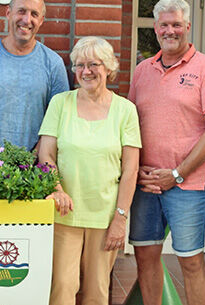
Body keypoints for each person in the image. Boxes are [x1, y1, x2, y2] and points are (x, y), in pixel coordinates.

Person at [127, 0, 205, 304]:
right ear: (156, 29)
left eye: (176, 24)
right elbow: (131, 124)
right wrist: (137, 168)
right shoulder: (143, 70)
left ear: (187, 27)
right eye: (164, 25)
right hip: (146, 185)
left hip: (188, 185)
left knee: (191, 260)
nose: (170, 30)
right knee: (145, 258)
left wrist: (177, 173)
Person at [38, 36, 141, 305]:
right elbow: (46, 154)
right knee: (61, 287)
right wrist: (56, 189)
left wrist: (120, 217)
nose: (86, 71)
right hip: (64, 213)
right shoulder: (60, 103)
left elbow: (130, 169)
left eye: (94, 64)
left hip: (105, 216)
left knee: (97, 290)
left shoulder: (125, 110)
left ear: (108, 68)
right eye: (79, 65)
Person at [0, 0, 69, 153]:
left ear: (41, 21)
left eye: (34, 14)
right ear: (8, 13)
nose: (27, 20)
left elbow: (57, 123)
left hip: (32, 170)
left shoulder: (53, 64)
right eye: (21, 11)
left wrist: (29, 163)